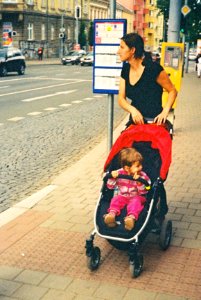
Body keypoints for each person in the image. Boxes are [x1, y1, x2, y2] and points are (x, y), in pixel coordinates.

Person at [117, 33, 177, 125]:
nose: (118, 51)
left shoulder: (153, 69)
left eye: (122, 47)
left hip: (154, 123)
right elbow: (121, 99)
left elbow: (172, 91)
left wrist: (165, 112)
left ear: (132, 50)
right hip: (135, 122)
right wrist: (133, 110)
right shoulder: (125, 69)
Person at [104, 148, 151, 231]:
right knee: (116, 199)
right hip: (123, 196)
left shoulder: (143, 176)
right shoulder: (119, 173)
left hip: (137, 196)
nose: (141, 167)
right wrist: (112, 178)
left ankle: (131, 218)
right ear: (127, 168)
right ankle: (111, 215)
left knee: (135, 201)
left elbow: (146, 190)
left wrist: (139, 183)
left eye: (140, 165)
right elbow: (110, 187)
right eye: (138, 166)